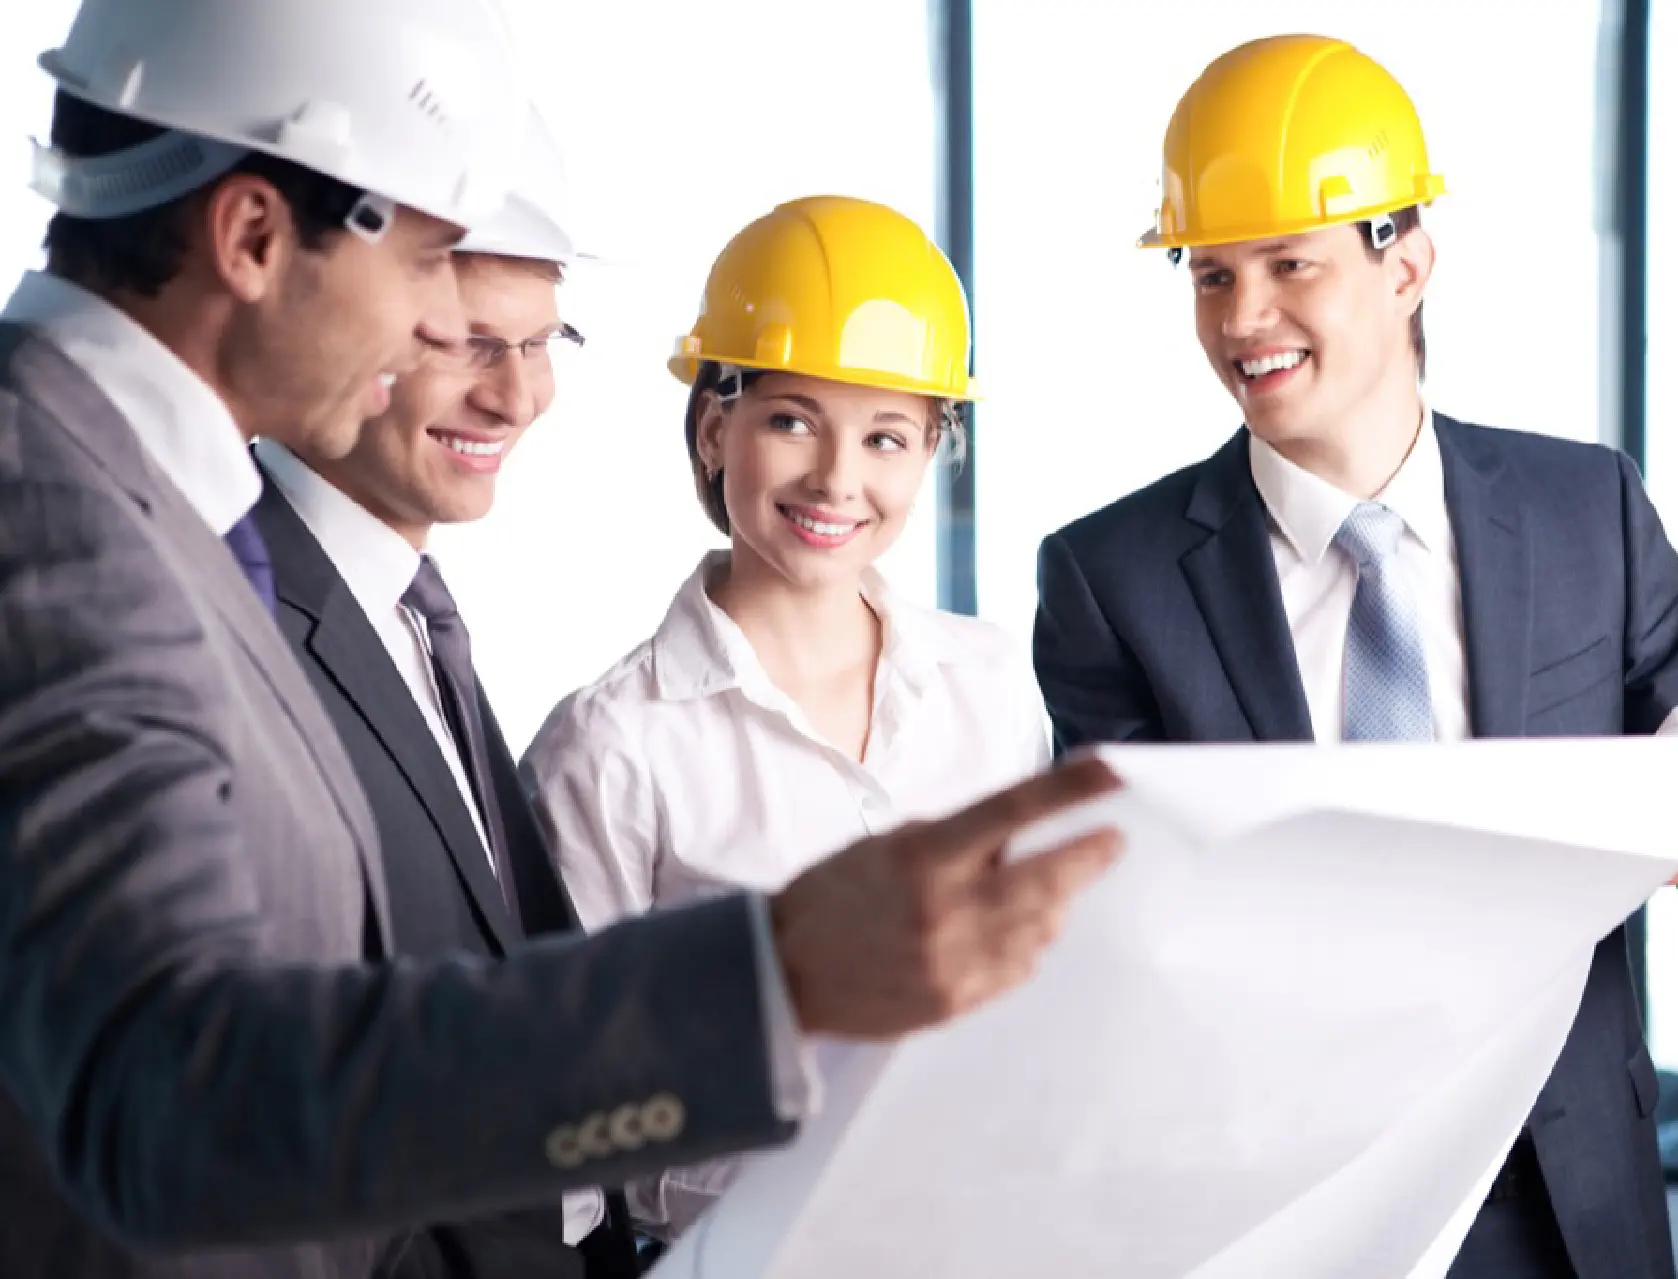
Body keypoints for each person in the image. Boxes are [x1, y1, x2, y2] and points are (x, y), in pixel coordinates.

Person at [0, 4, 1121, 1277]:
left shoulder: (148, 506)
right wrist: (777, 979)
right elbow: (175, 1101)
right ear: (253, 235)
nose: (444, 334)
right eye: (431, 267)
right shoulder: (49, 511)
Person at [1030, 34, 1678, 1279]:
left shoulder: (1588, 508)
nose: (1241, 320)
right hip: (1284, 1206)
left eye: (1288, 266)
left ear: (1407, 264)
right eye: (1209, 276)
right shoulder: (1114, 577)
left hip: (1570, 1193)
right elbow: (1128, 925)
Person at [521, 194, 1054, 1241]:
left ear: (934, 450)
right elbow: (564, 1106)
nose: (837, 479)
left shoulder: (988, 686)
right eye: (792, 419)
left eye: (888, 436)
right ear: (717, 429)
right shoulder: (615, 743)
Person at [249, 107, 645, 1278]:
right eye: (468, 341)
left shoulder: (408, 613)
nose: (517, 397)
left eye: (545, 342)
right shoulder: (236, 616)